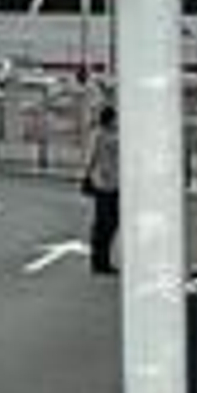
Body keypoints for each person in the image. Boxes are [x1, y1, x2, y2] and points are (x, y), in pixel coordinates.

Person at [84, 104, 120, 275]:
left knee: (112, 223)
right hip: (102, 185)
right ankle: (98, 261)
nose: (116, 121)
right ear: (109, 119)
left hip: (116, 184)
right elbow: (91, 157)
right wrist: (88, 176)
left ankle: (103, 259)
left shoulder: (116, 134)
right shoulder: (98, 135)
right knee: (103, 224)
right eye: (115, 118)